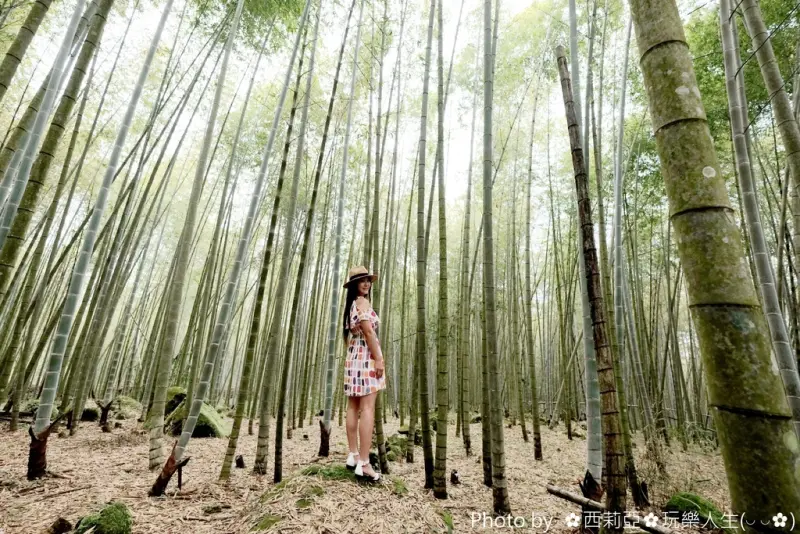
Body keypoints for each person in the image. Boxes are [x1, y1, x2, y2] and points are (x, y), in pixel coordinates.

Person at [342, 265, 385, 482]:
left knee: (353, 407)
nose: (366, 283)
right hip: (366, 357)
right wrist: (378, 358)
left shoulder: (351, 305)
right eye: (361, 281)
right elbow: (368, 331)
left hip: (353, 357)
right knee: (367, 408)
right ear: (354, 286)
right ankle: (364, 463)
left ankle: (353, 454)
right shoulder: (363, 303)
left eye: (368, 280)